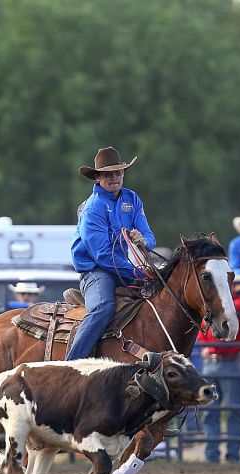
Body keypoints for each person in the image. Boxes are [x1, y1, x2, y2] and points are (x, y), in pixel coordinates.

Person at [66, 146, 156, 361]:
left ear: (123, 173)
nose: (114, 177)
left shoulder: (132, 199)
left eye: (118, 172)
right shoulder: (92, 208)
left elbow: (149, 236)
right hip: (96, 272)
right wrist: (137, 272)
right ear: (98, 177)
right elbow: (102, 255)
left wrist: (145, 242)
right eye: (108, 174)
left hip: (127, 269)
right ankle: (70, 364)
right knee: (103, 308)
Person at [197, 278, 240, 463]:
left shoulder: (239, 302)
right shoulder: (214, 303)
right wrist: (204, 345)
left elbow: (238, 308)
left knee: (233, 410)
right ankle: (212, 454)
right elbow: (202, 329)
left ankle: (232, 454)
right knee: (211, 411)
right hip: (212, 362)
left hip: (230, 362)